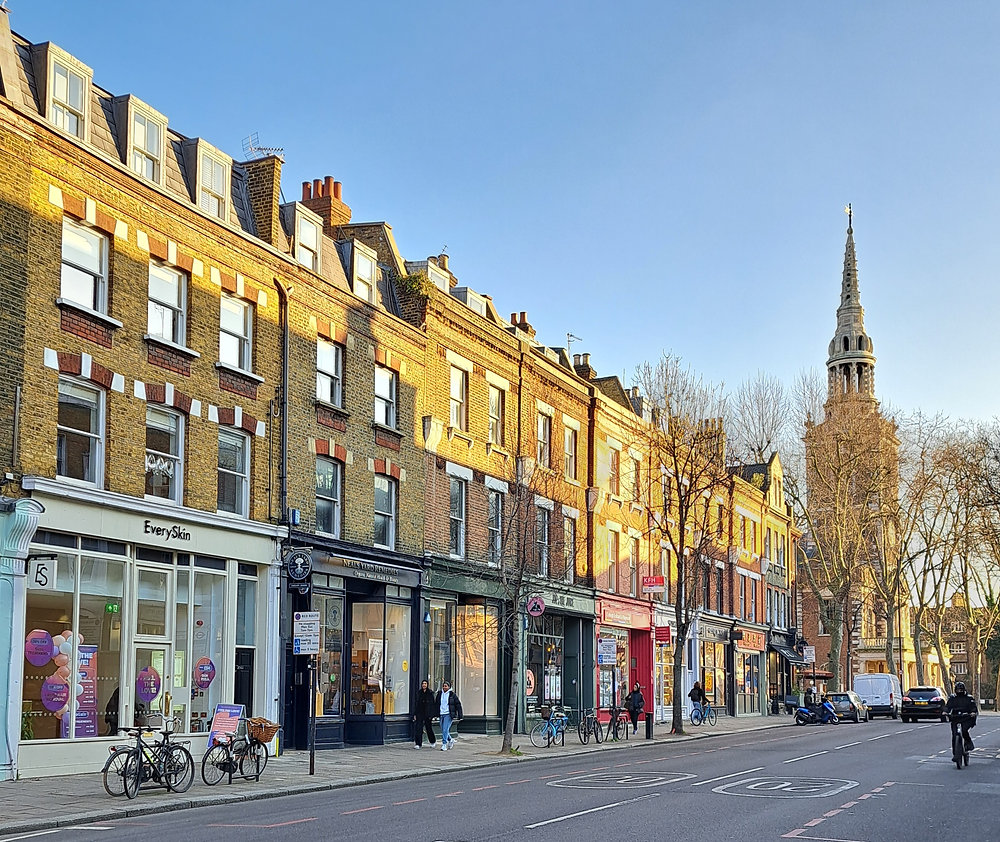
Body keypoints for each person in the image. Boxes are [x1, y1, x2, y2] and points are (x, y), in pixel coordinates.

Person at [945, 681, 978, 752]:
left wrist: (973, 712)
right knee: (954, 734)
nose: (959, 691)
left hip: (966, 718)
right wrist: (945, 712)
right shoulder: (952, 698)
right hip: (955, 717)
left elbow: (973, 707)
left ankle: (968, 742)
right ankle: (955, 752)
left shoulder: (969, 698)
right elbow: (948, 706)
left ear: (964, 690)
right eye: (958, 690)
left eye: (961, 690)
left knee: (964, 730)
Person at [434, 680, 463, 751]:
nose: (444, 687)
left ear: (449, 687)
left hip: (448, 714)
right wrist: (435, 714)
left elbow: (458, 704)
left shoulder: (452, 695)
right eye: (443, 686)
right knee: (443, 729)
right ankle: (450, 739)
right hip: (441, 713)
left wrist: (460, 715)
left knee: (445, 729)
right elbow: (436, 704)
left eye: (446, 686)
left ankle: (444, 744)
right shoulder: (440, 694)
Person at [413, 679, 437, 749]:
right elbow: (416, 704)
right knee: (418, 728)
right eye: (423, 683)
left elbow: (432, 705)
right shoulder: (419, 693)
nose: (424, 685)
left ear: (427, 685)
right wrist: (415, 714)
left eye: (425, 683)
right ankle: (418, 743)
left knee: (428, 728)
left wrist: (432, 715)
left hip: (427, 713)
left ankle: (432, 741)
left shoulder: (430, 693)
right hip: (420, 713)